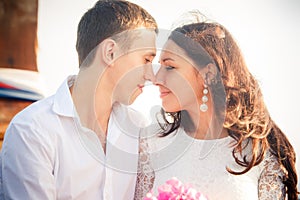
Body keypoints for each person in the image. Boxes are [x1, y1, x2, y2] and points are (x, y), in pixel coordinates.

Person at [0, 0, 158, 199]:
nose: (151, 76)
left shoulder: (139, 129)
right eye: (146, 60)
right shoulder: (31, 130)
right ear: (111, 52)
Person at [135, 13, 299, 200]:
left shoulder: (259, 153)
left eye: (170, 67)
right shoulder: (151, 143)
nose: (156, 78)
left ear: (208, 74)